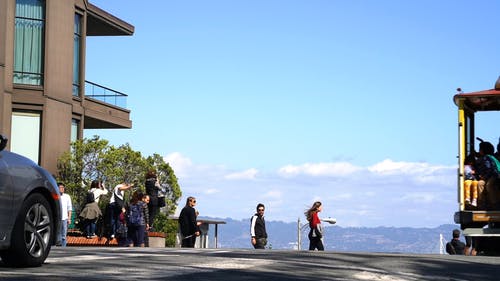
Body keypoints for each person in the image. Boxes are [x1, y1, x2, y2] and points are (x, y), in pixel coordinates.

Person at [475, 141, 500, 210]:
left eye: (480, 150)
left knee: (489, 185)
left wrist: (484, 177)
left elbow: (490, 170)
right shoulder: (492, 157)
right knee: (480, 183)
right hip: (492, 176)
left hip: (495, 176)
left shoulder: (486, 158)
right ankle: (483, 204)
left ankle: (495, 204)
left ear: (482, 151)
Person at [58, 183, 73, 247]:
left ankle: (63, 248)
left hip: (65, 218)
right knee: (57, 235)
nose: (62, 189)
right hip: (57, 218)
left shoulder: (67, 196)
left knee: (64, 235)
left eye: (63, 187)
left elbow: (69, 208)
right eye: (60, 187)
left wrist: (69, 218)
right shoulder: (55, 196)